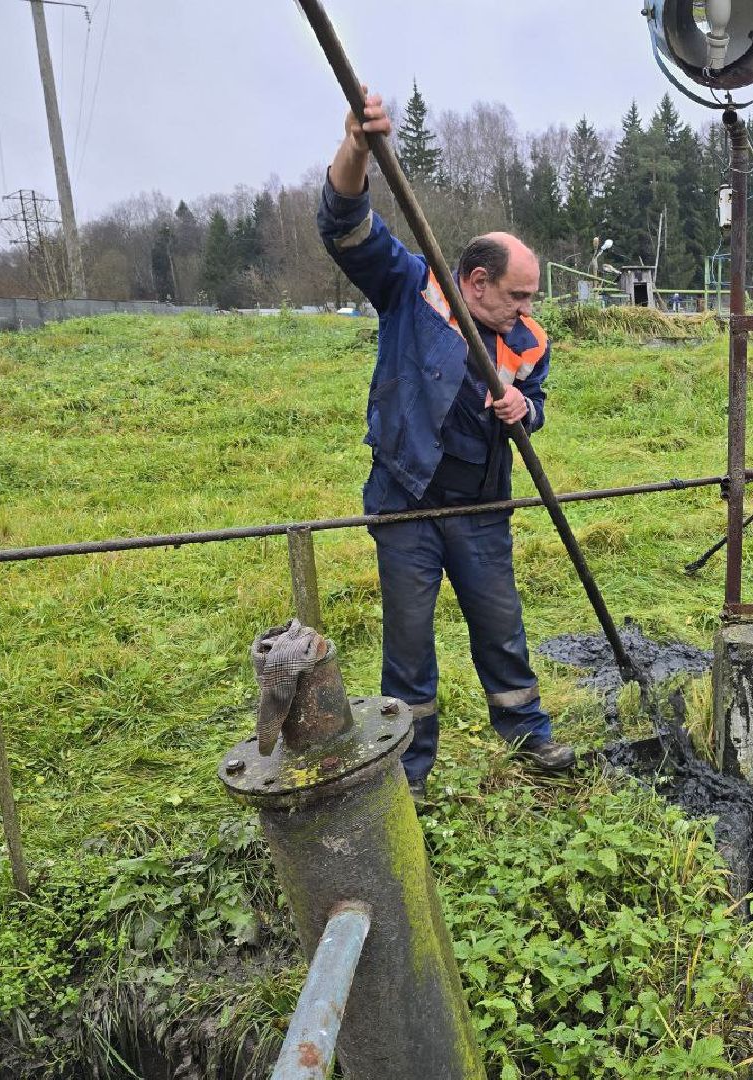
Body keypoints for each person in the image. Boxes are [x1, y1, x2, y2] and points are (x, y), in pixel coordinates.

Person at [317, 91, 574, 799]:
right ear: (477, 281)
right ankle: (410, 771)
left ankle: (528, 736)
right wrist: (357, 148)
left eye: (532, 297)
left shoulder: (528, 340)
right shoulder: (412, 290)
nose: (528, 309)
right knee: (408, 646)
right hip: (405, 502)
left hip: (482, 508)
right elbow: (344, 224)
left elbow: (537, 405)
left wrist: (525, 408)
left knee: (501, 628)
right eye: (518, 295)